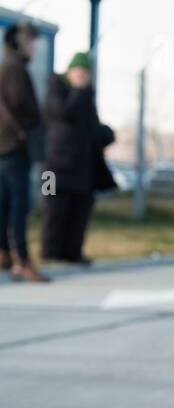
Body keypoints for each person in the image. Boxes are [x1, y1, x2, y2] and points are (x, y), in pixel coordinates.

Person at [41, 52, 117, 265]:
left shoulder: (87, 97)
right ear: (70, 72)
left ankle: (72, 252)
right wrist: (78, 89)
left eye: (86, 74)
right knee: (54, 210)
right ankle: (50, 253)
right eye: (79, 73)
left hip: (82, 168)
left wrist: (106, 134)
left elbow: (91, 129)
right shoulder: (56, 88)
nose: (83, 78)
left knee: (79, 211)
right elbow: (64, 113)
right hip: (53, 168)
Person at [0, 21, 50, 282]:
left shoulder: (5, 65)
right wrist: (35, 122)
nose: (33, 48)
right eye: (31, 43)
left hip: (5, 145)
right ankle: (23, 260)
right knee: (20, 206)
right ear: (20, 42)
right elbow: (23, 104)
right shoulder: (16, 69)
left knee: (5, 204)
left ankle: (5, 254)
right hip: (15, 144)